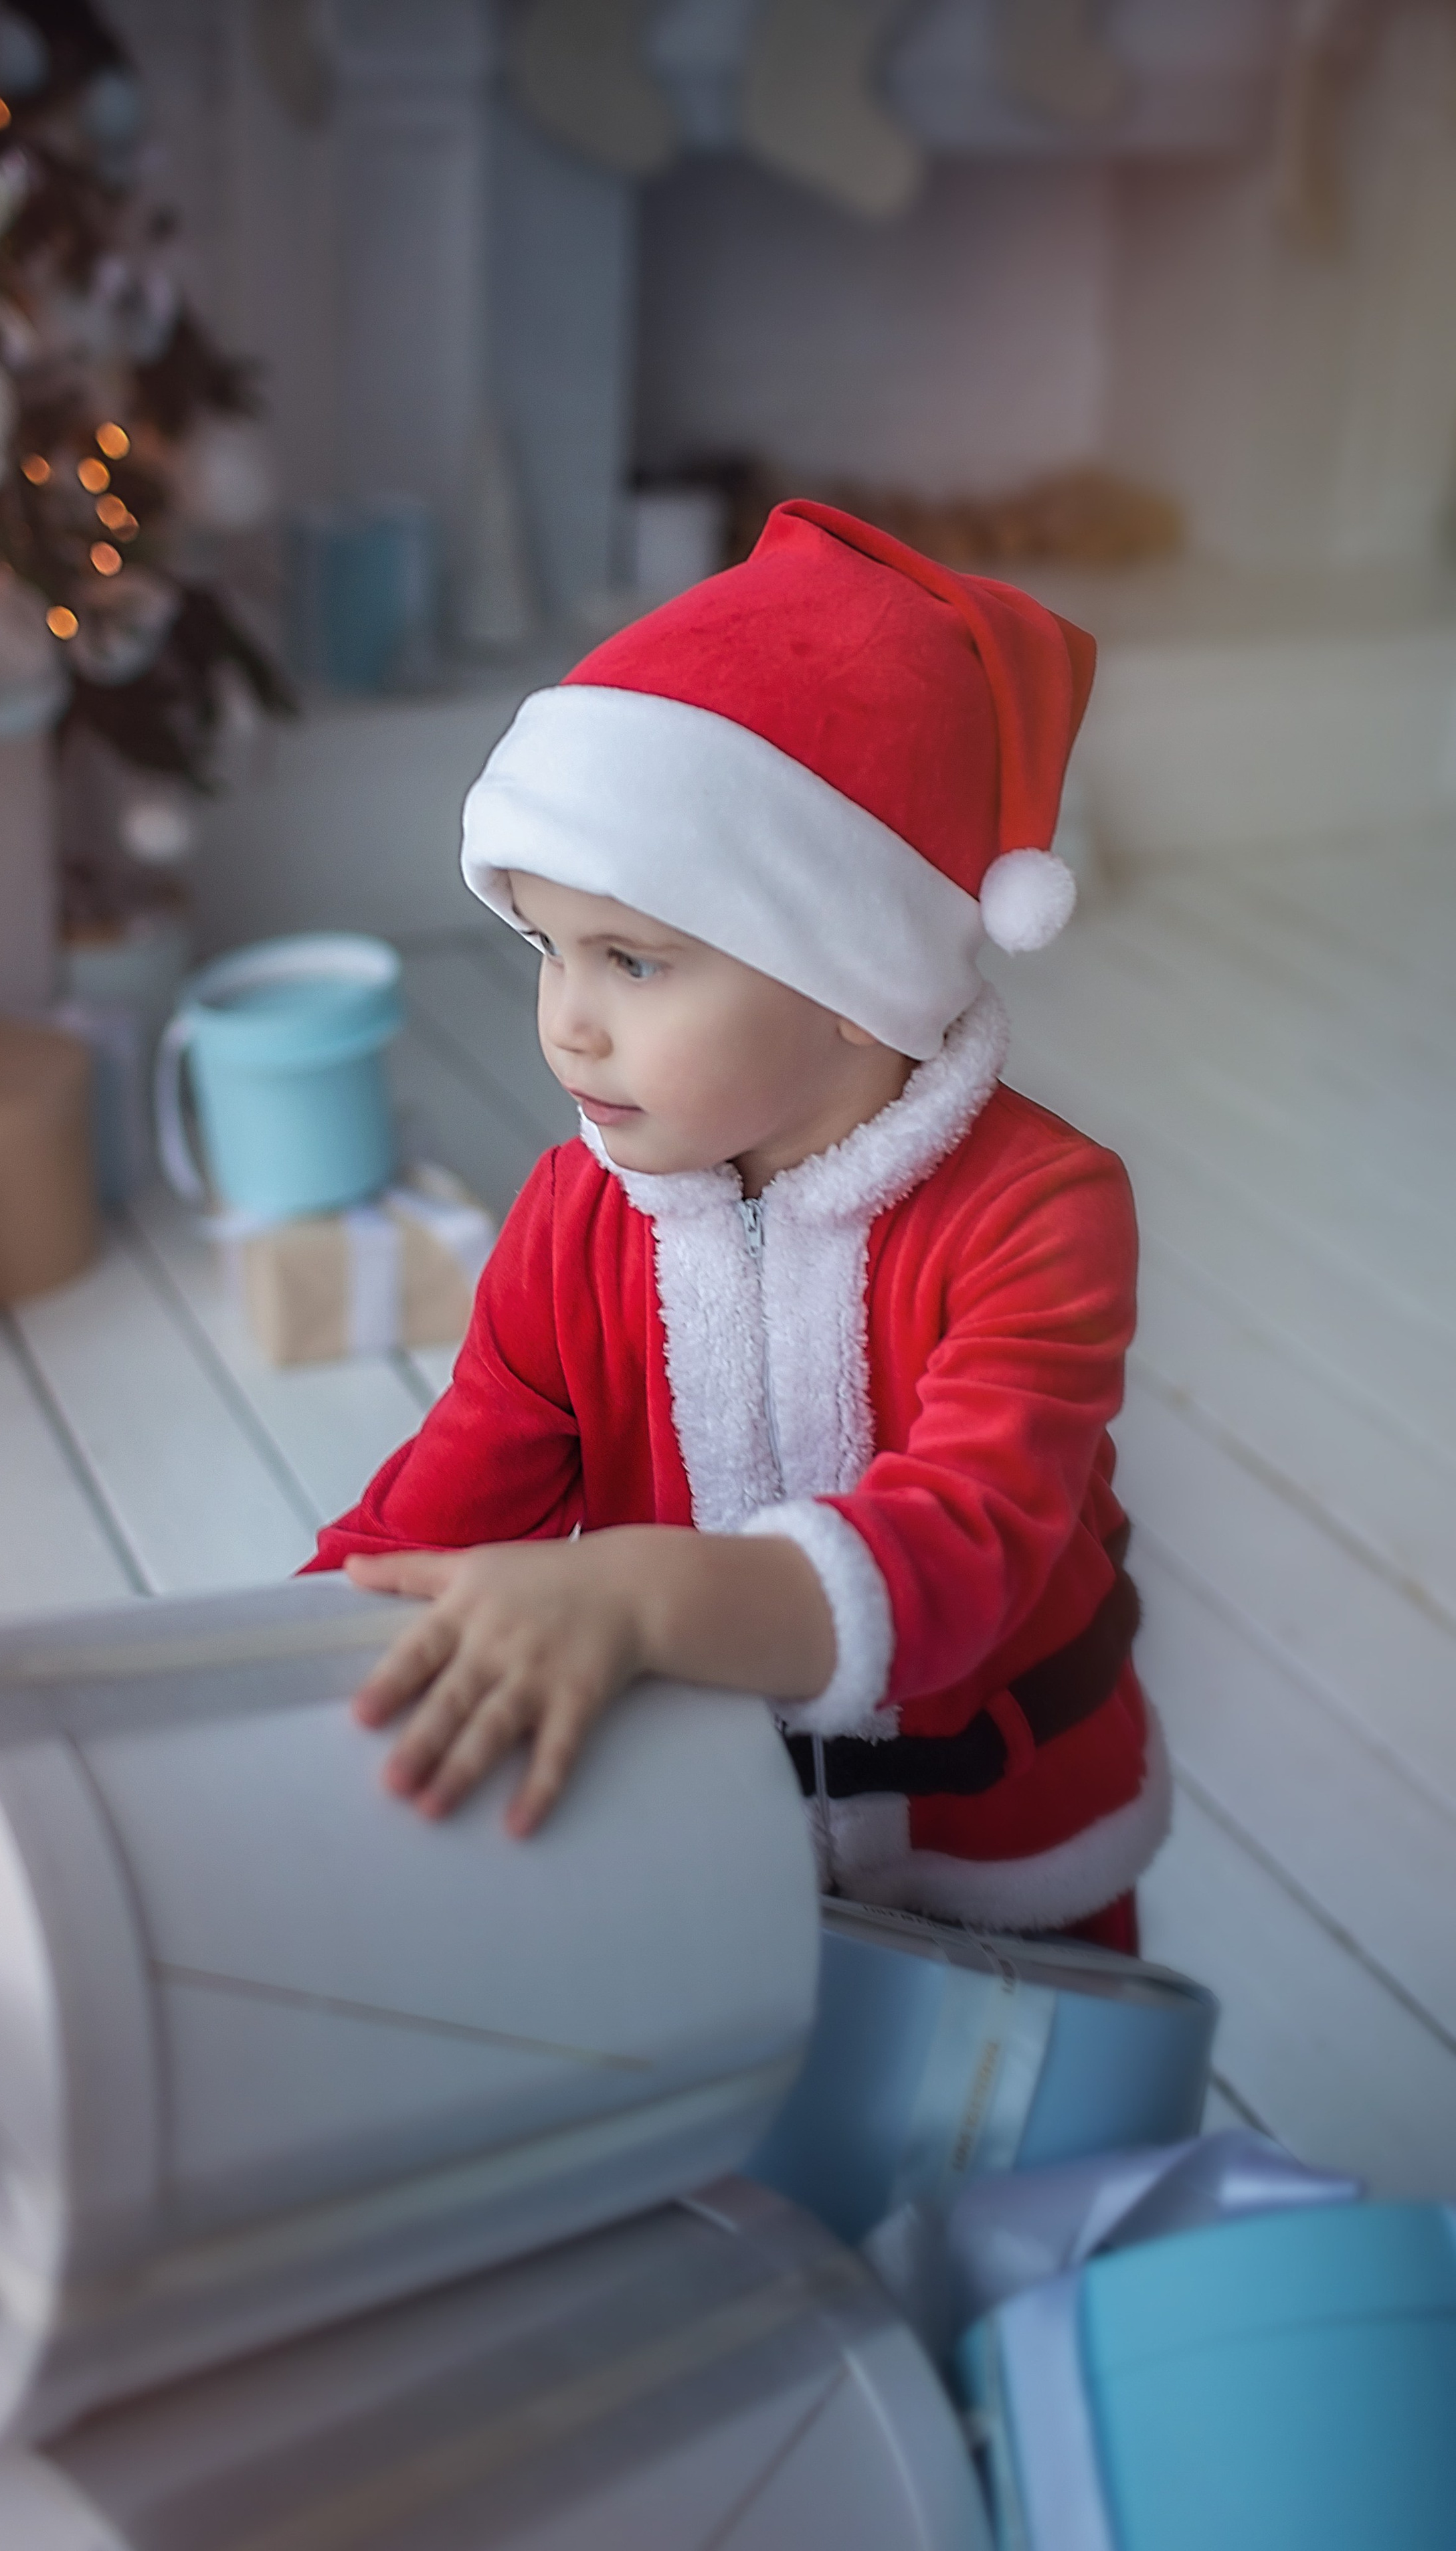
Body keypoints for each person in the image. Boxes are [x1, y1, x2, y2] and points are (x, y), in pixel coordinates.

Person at [304, 500, 1167, 1951]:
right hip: (710, 1847)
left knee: (1027, 2159)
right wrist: (278, 1676)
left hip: (1006, 1853)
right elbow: (442, 1504)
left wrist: (644, 1594)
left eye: (632, 962)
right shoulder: (574, 1221)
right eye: (547, 950)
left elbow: (971, 1540)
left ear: (850, 977)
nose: (565, 1023)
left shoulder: (1037, 1215)